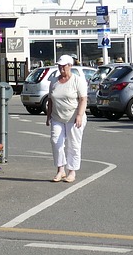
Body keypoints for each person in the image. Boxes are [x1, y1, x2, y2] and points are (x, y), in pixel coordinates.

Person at [44, 54, 87, 184]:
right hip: (57, 117)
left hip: (73, 117)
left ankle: (72, 171)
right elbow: (50, 100)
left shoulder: (77, 80)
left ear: (70, 66)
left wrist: (79, 115)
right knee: (56, 142)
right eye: (59, 66)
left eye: (64, 66)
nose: (61, 68)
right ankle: (60, 169)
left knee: (73, 144)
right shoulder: (54, 82)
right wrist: (48, 116)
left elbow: (83, 99)